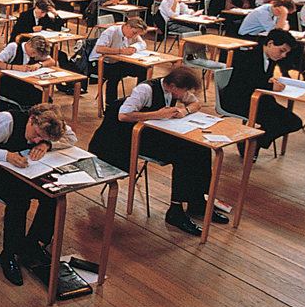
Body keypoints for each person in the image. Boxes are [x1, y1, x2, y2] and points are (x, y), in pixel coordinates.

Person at [88, 67, 227, 236]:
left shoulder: (175, 89)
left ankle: (197, 201)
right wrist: (157, 114)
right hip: (134, 137)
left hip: (157, 132)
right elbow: (123, 115)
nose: (184, 94)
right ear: (174, 86)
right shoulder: (145, 90)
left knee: (202, 147)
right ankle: (175, 210)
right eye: (183, 91)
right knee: (183, 155)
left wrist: (185, 110)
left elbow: (195, 103)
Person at [0, 103, 77, 285]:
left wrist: (47, 143)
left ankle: (32, 243)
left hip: (22, 170)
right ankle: (9, 254)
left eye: (40, 138)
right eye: (36, 134)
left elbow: (71, 138)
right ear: (31, 119)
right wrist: (6, 155)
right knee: (19, 200)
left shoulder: (47, 126)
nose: (35, 140)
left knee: (54, 194)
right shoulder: (6, 121)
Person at [220, 29, 302, 159]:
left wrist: (269, 81)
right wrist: (269, 85)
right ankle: (251, 144)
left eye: (286, 52)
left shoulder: (271, 58)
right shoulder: (247, 57)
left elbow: (257, 78)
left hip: (259, 100)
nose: (284, 55)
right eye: (282, 50)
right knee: (277, 122)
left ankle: (253, 142)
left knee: (295, 122)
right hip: (238, 100)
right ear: (270, 43)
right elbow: (242, 85)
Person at [90, 16, 148, 106]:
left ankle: (138, 100)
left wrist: (134, 47)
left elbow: (142, 43)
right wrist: (121, 51)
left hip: (116, 61)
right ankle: (111, 105)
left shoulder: (133, 34)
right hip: (100, 62)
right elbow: (99, 49)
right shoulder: (111, 31)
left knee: (143, 70)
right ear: (127, 26)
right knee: (114, 75)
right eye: (134, 33)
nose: (134, 36)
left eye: (137, 35)